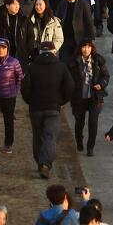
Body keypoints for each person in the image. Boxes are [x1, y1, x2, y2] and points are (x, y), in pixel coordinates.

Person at [21, 40, 74, 178]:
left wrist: (30, 101)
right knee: (49, 136)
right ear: (54, 52)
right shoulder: (61, 67)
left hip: (35, 108)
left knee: (37, 136)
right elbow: (70, 87)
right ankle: (46, 164)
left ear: (40, 52)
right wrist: (61, 101)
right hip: (53, 108)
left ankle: (40, 163)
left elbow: (25, 88)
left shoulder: (32, 67)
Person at [69, 37, 109, 157]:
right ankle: (79, 141)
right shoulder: (73, 61)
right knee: (79, 122)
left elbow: (105, 75)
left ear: (92, 48)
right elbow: (68, 78)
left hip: (94, 97)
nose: (86, 49)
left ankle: (90, 147)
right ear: (80, 48)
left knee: (93, 122)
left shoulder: (98, 60)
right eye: (84, 47)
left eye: (89, 47)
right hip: (79, 97)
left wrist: (101, 84)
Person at [0, 37, 24, 156]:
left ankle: (8, 144)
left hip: (9, 97)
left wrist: (14, 91)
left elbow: (19, 77)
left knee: (8, 120)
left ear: (7, 49)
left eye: (3, 48)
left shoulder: (14, 62)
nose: (1, 50)